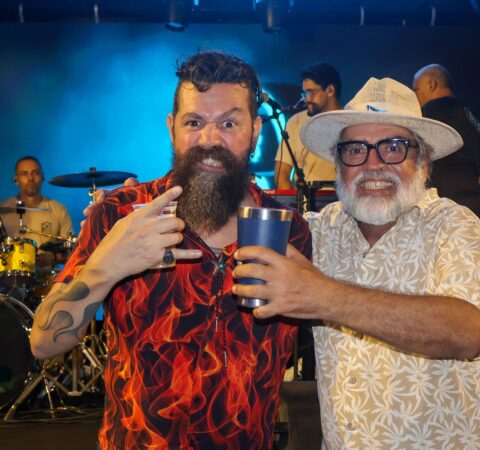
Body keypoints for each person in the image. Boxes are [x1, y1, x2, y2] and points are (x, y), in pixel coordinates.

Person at [30, 51, 311, 450]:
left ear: (254, 131)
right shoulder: (121, 215)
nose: (209, 140)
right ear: (172, 128)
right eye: (194, 123)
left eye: (229, 123)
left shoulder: (288, 230)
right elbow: (43, 344)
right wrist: (105, 267)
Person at [234, 77, 480, 449]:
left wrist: (322, 297)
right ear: (338, 164)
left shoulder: (452, 224)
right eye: (355, 150)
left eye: (394, 147)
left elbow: (468, 333)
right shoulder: (318, 232)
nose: (374, 164)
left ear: (423, 161)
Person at [412, 64, 480, 233]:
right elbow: (479, 176)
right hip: (477, 208)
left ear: (431, 85)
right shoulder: (472, 118)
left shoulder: (431, 111)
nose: (414, 96)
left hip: (445, 211)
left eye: (416, 90)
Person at [273, 62, 341, 189]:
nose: (307, 99)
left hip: (343, 200)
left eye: (311, 92)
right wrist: (297, 201)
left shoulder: (351, 122)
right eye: (305, 93)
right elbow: (281, 175)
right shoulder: (296, 122)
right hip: (304, 200)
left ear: (330, 90)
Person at [0, 156, 73, 267]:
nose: (30, 178)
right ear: (16, 179)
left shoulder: (59, 210)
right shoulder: (3, 210)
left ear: (42, 177)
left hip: (48, 275)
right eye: (24, 174)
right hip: (10, 275)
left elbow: (72, 252)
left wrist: (53, 257)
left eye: (35, 173)